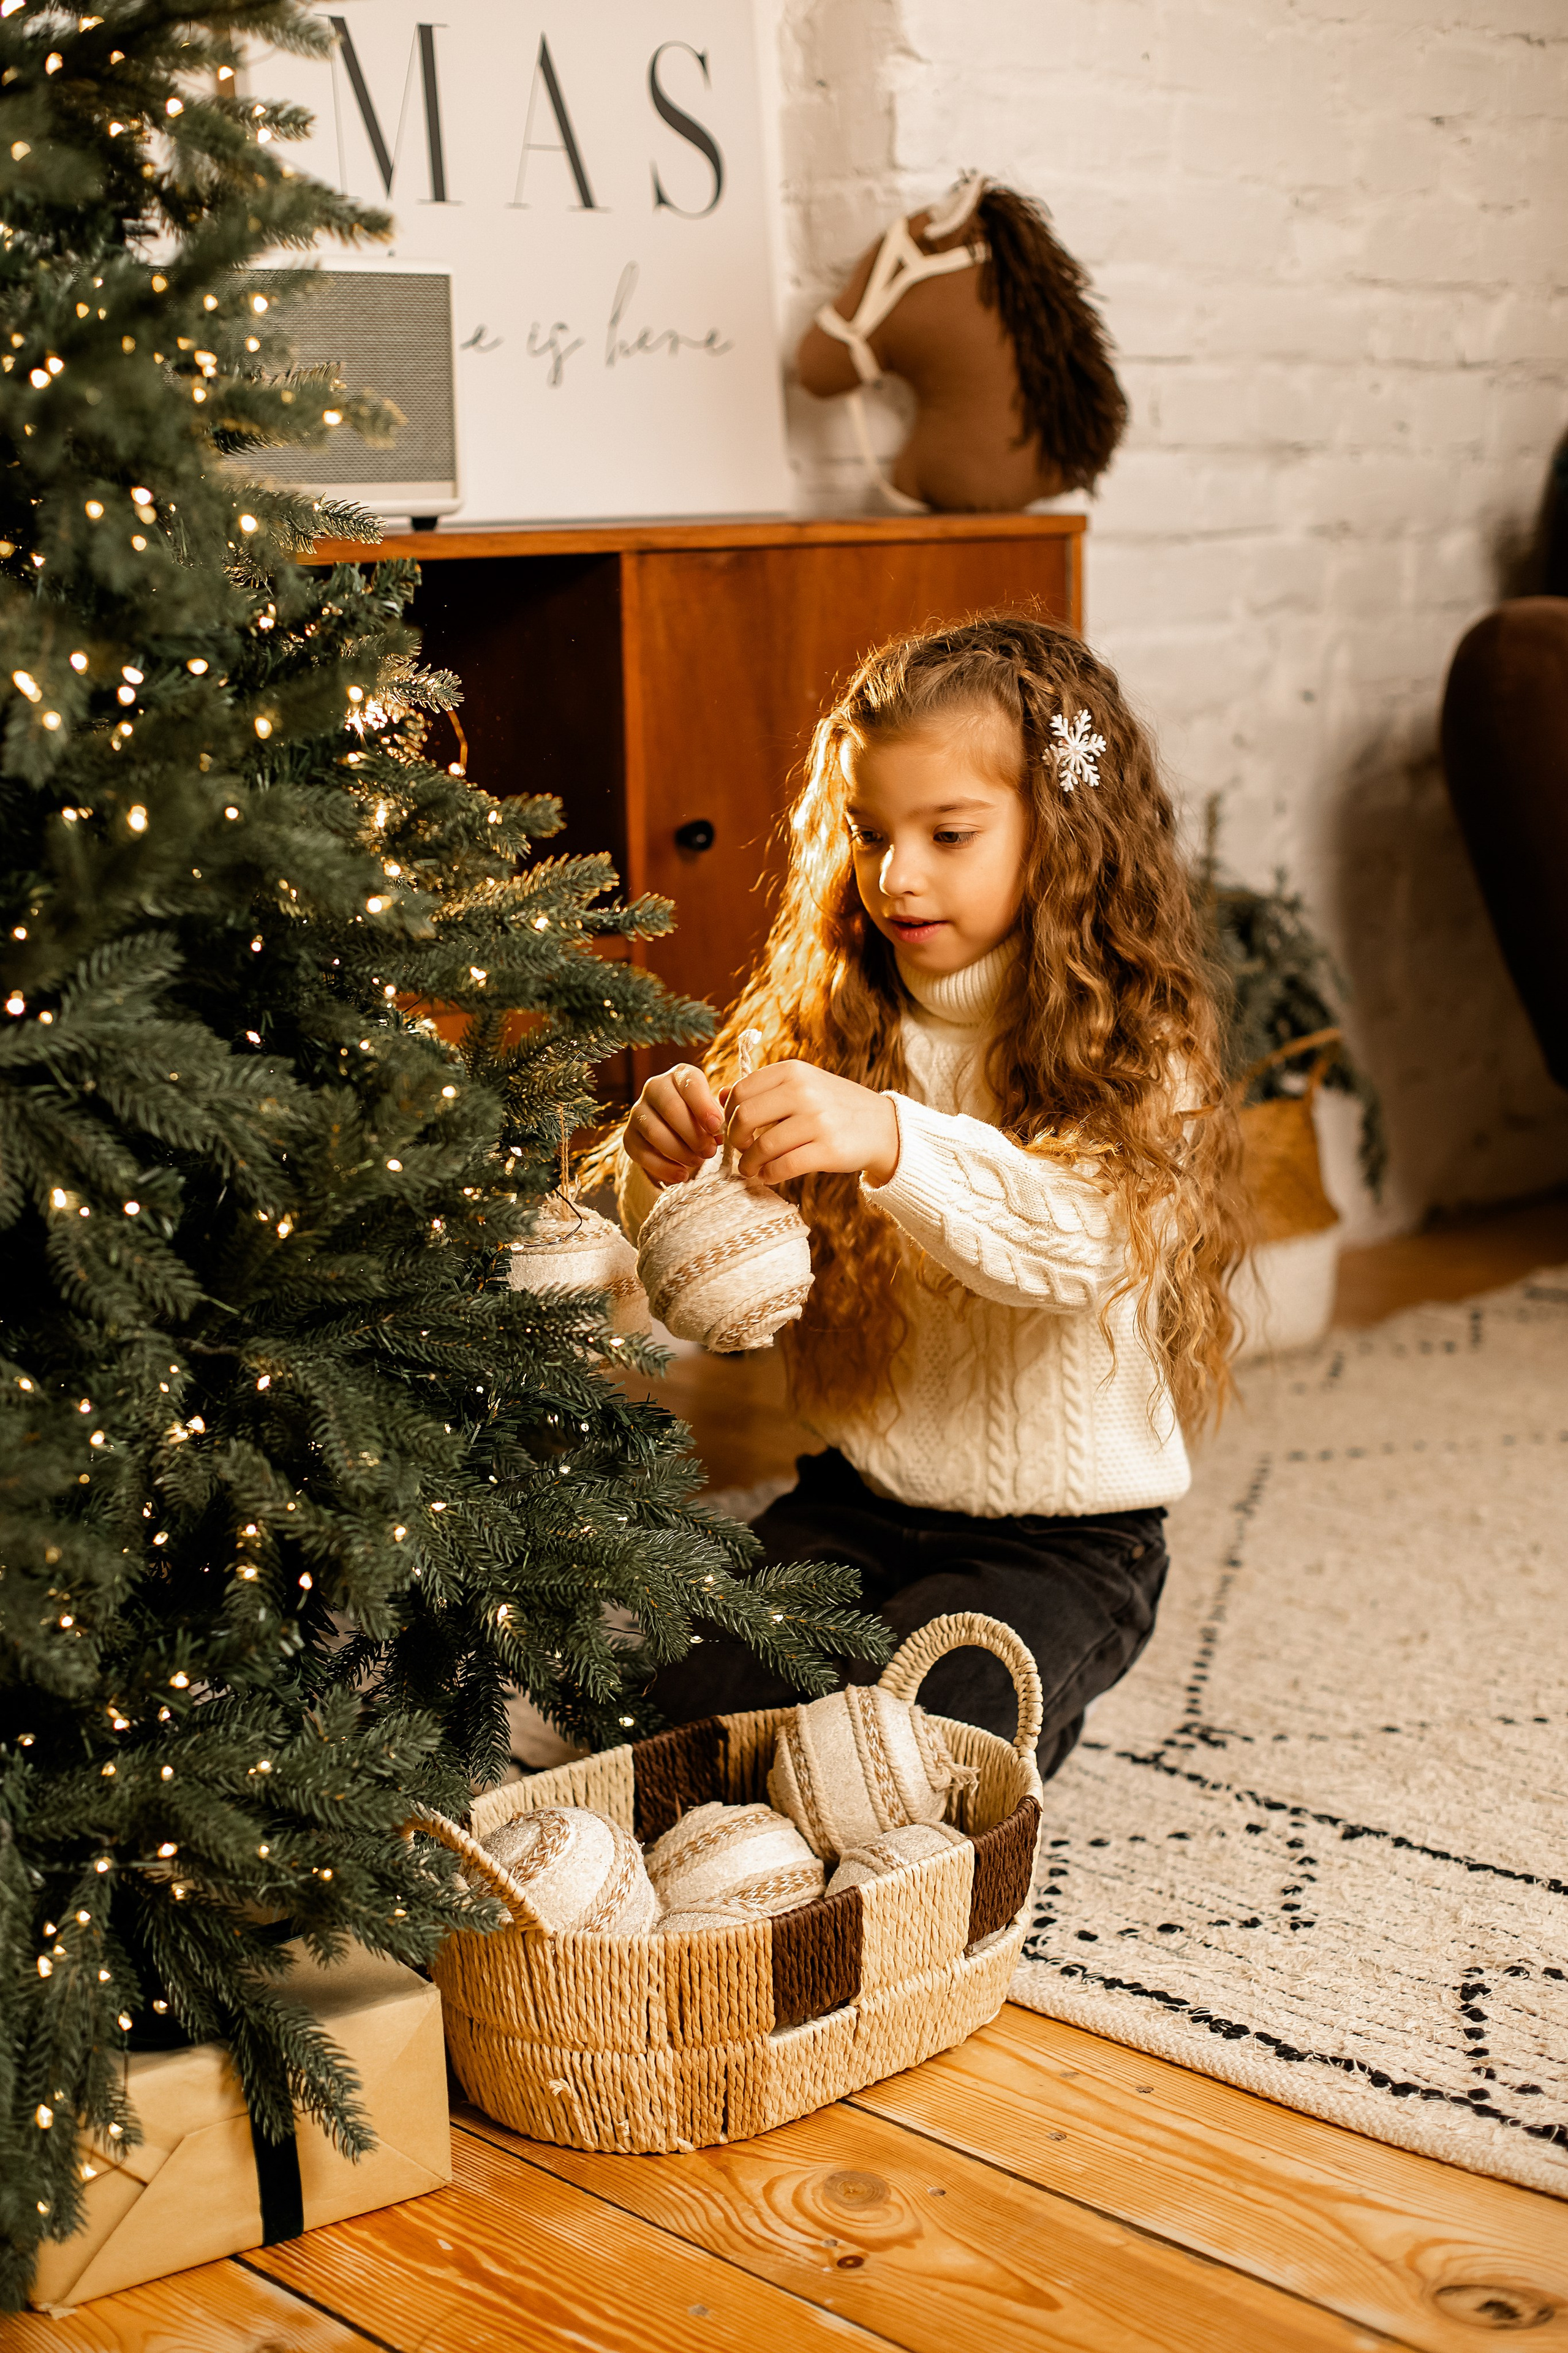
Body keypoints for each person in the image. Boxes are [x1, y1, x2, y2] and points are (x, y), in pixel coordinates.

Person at [616, 614, 1246, 1779]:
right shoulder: (833, 1018)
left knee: (913, 1766)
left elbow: (1085, 1244)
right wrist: (662, 1185)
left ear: (1064, 833)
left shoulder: (1142, 1046)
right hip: (856, 1507)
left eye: (948, 833)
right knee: (660, 1719)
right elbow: (710, 1301)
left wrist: (893, 1135)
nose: (895, 875)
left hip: (1061, 1548)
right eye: (867, 833)